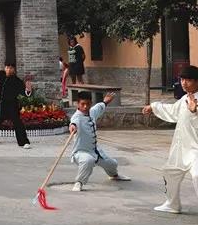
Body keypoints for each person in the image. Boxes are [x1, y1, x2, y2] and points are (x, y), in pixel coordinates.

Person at [143, 65, 198, 214]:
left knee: (197, 174)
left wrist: (194, 110)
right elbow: (172, 111)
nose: (184, 83)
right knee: (170, 172)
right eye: (182, 79)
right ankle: (172, 204)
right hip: (181, 147)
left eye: (188, 80)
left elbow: (194, 111)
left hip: (196, 149)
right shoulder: (185, 99)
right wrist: (153, 107)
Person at [69, 91, 131, 192]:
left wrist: (105, 101)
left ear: (91, 103)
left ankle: (114, 175)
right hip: (81, 152)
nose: (85, 107)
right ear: (77, 104)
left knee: (112, 163)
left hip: (95, 151)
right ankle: (79, 182)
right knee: (88, 160)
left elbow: (99, 107)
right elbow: (73, 122)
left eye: (88, 104)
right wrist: (73, 127)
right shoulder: (76, 117)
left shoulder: (92, 112)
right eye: (82, 104)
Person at [0, 62, 33, 148]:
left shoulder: (17, 81)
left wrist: (28, 90)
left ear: (14, 70)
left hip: (12, 107)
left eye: (10, 68)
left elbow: (24, 92)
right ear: (5, 68)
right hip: (1, 106)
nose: (8, 70)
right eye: (7, 67)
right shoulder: (2, 75)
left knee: (18, 124)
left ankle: (24, 142)